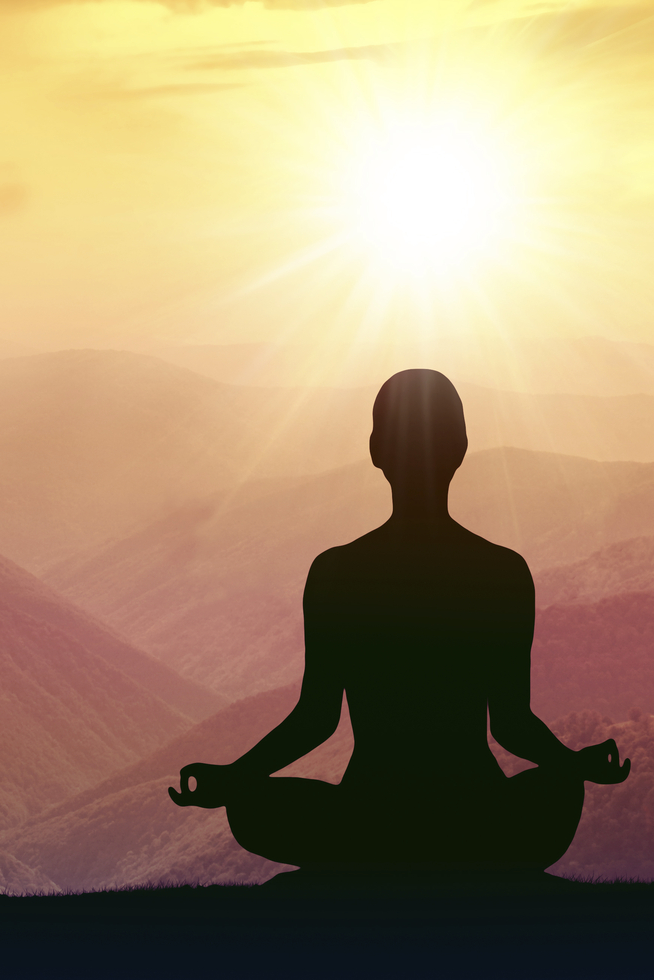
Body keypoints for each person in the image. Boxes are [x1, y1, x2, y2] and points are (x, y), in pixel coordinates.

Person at [169, 368, 629, 874]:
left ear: (376, 450)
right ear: (460, 447)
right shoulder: (501, 572)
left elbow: (315, 719)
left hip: (368, 812)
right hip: (476, 812)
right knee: (556, 791)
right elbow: (512, 724)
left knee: (255, 804)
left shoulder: (337, 573)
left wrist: (235, 777)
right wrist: (574, 766)